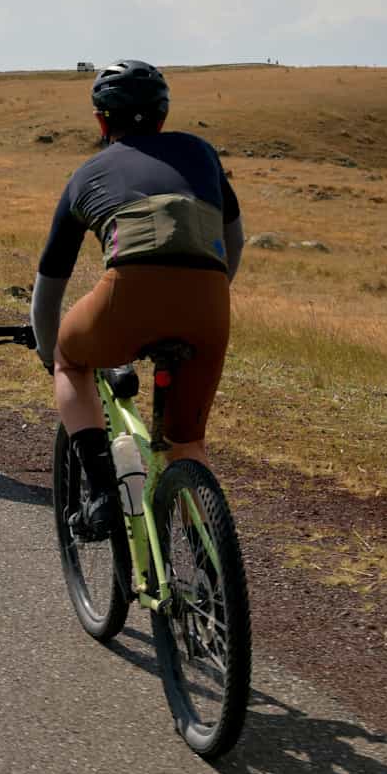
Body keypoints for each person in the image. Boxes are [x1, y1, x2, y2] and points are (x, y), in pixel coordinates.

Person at [29, 60, 245, 539]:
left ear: (101, 120)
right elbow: (234, 242)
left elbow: (50, 286)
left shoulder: (84, 175)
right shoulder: (201, 152)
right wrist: (200, 296)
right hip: (210, 299)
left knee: (70, 360)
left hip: (130, 295)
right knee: (187, 442)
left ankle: (104, 490)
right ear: (163, 116)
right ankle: (213, 580)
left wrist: (50, 354)